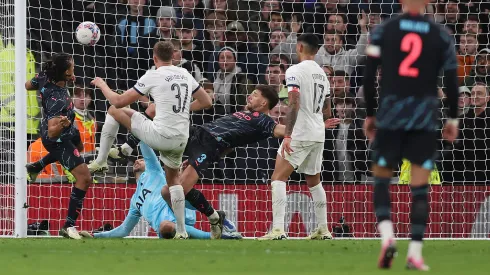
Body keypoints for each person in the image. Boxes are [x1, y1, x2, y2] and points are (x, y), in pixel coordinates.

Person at [112, 85, 340, 239]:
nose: (250, 96)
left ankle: (215, 219)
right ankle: (128, 141)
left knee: (169, 191)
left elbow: (283, 131)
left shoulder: (264, 121)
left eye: (255, 94)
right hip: (196, 134)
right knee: (166, 184)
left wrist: (319, 125)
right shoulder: (245, 113)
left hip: (208, 145)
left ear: (264, 103)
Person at [363, 0, 459, 270]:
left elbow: (369, 77)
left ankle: (387, 237)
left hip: (391, 117)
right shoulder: (441, 34)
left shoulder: (384, 29)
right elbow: (452, 81)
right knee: (420, 189)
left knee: (381, 180)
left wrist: (371, 114)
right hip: (425, 120)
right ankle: (415, 252)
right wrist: (452, 118)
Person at [88, 41, 212, 240]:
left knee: (115, 110)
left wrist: (102, 84)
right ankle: (181, 231)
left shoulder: (153, 74)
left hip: (160, 135)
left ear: (154, 58)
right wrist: (179, 108)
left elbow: (118, 101)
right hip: (181, 138)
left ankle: (103, 159)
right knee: (173, 181)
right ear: (173, 56)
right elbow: (207, 102)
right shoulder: (185, 74)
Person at [79, 142, 242, 240]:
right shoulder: (135, 200)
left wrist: (136, 126)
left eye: (141, 159)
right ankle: (216, 222)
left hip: (179, 214)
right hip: (163, 231)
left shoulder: (154, 171)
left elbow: (145, 146)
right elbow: (124, 229)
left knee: (167, 196)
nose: (138, 160)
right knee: (164, 227)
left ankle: (217, 231)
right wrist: (95, 235)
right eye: (137, 160)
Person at [258, 34, 332, 241]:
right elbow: (327, 107)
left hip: (300, 131)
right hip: (318, 132)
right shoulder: (322, 74)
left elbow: (293, 102)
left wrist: (288, 134)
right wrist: (321, 121)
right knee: (314, 181)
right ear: (317, 50)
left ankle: (278, 230)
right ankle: (323, 229)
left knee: (278, 178)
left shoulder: (294, 71)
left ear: (299, 47)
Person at [24, 53, 92, 240]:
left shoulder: (44, 76)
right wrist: (62, 124)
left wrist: (43, 85)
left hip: (68, 130)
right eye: (71, 68)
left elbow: (28, 85)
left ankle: (36, 166)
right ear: (62, 73)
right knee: (84, 178)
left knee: (79, 144)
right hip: (57, 137)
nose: (73, 70)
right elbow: (53, 132)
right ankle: (68, 227)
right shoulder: (57, 99)